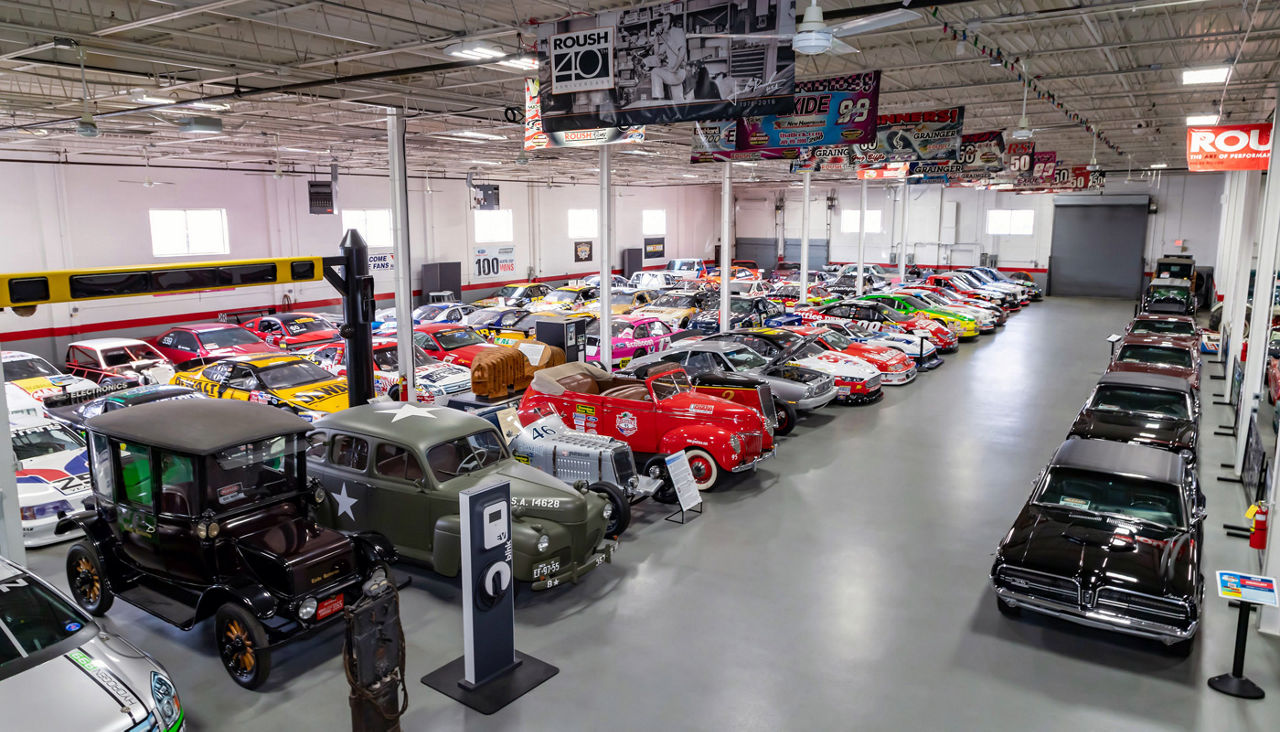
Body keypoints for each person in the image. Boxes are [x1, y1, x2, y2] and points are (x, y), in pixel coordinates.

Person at [648, 14, 687, 102]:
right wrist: (657, 37)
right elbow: (657, 53)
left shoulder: (677, 32)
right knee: (678, 103)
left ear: (672, 23)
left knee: (655, 72)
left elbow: (683, 51)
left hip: (679, 71)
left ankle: (659, 101)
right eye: (662, 23)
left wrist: (674, 68)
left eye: (665, 23)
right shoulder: (668, 38)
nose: (663, 25)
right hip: (674, 73)